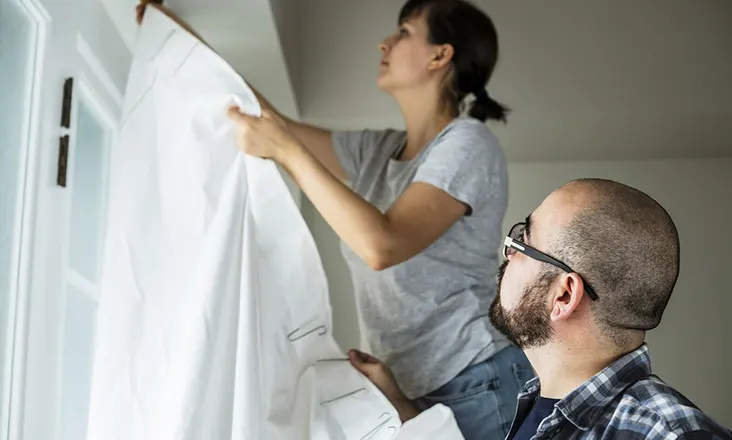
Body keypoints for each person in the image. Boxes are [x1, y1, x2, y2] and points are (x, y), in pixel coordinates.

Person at [137, 0, 533, 439]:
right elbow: (274, 124)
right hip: (407, 388)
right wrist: (181, 40)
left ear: (440, 56)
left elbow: (383, 246)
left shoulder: (468, 143)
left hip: (477, 380)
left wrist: (287, 152)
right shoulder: (377, 152)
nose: (385, 42)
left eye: (404, 32)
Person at [351, 178, 732, 439]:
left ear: (563, 297)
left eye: (523, 242)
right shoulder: (543, 408)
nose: (506, 255)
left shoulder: (668, 433)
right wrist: (400, 407)